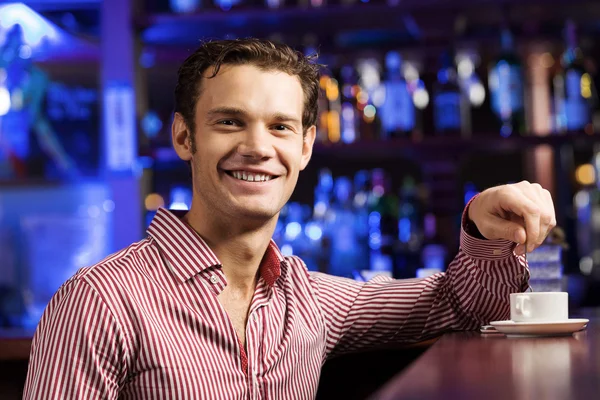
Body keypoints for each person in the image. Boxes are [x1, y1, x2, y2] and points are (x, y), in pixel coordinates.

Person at [23, 38, 555, 399]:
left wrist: (483, 225)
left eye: (279, 128)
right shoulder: (99, 302)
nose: (257, 147)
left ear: (304, 147)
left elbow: (462, 304)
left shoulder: (308, 300)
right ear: (184, 137)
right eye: (230, 122)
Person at [0, 24, 78, 179]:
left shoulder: (35, 79)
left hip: (21, 151)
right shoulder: (6, 71)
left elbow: (39, 124)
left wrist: (64, 163)